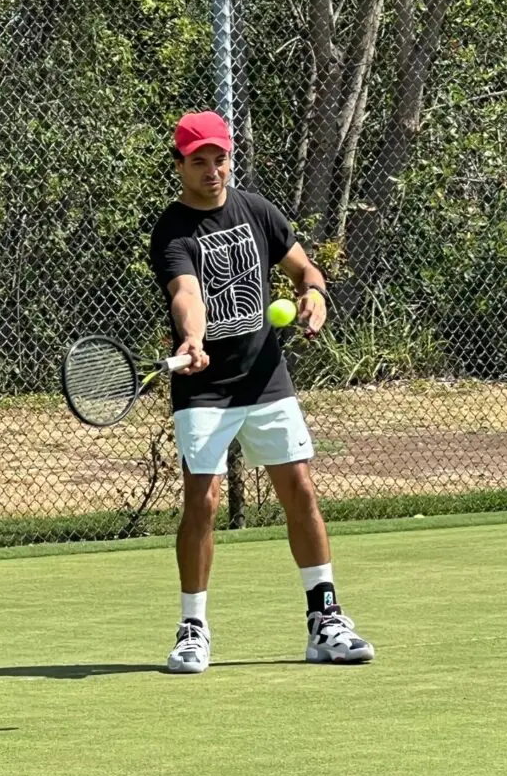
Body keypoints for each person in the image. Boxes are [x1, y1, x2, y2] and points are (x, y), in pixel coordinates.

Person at [149, 110, 375, 674]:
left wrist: (315, 294)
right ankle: (193, 629)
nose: (211, 170)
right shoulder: (172, 230)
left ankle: (325, 621)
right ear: (179, 165)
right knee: (200, 500)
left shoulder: (258, 211)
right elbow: (186, 292)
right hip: (205, 388)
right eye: (198, 161)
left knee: (299, 488)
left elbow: (304, 269)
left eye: (219, 158)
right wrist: (194, 336)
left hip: (266, 379)